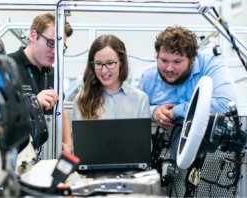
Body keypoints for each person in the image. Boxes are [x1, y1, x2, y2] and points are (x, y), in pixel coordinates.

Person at [139, 26, 236, 128]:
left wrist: (176, 111)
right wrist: (154, 112)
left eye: (177, 62)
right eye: (164, 60)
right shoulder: (148, 76)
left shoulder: (210, 62)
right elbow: (136, 110)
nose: (169, 68)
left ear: (192, 60)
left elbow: (225, 104)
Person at [8, 13, 73, 151]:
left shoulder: (53, 74)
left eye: (60, 47)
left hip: (46, 156)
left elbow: (61, 108)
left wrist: (67, 144)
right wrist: (33, 103)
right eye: (51, 43)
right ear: (33, 36)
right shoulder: (8, 67)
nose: (55, 52)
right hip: (17, 154)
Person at [73, 34, 150, 120]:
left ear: (121, 62)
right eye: (98, 63)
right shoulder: (81, 100)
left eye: (110, 63)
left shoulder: (141, 100)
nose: (104, 71)